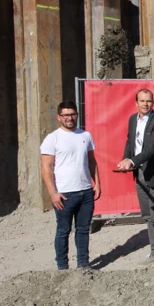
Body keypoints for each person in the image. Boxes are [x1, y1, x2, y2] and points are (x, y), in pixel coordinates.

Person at [40, 101, 101, 270]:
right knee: (63, 231)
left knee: (83, 230)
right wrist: (53, 193)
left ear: (77, 115)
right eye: (65, 115)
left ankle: (83, 265)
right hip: (64, 194)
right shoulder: (52, 138)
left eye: (72, 114)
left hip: (85, 192)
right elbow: (46, 168)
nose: (69, 118)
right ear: (59, 117)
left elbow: (91, 161)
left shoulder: (85, 136)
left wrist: (97, 184)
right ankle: (63, 268)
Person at [117, 89, 154, 269]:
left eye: (148, 101)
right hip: (140, 174)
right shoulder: (133, 119)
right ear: (136, 103)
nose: (145, 104)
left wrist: (132, 161)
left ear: (153, 102)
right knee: (148, 216)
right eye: (142, 101)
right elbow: (130, 142)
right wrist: (127, 159)